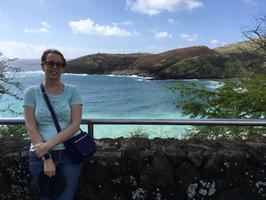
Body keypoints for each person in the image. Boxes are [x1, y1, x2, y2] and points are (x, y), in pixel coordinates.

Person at [24, 49, 83, 200]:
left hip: (69, 152)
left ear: (63, 68)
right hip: (39, 155)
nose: (55, 67)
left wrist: (47, 145)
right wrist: (45, 155)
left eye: (59, 64)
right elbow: (31, 127)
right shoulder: (31, 92)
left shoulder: (72, 91)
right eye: (51, 63)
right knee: (45, 197)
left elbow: (75, 124)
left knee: (66, 197)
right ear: (43, 66)